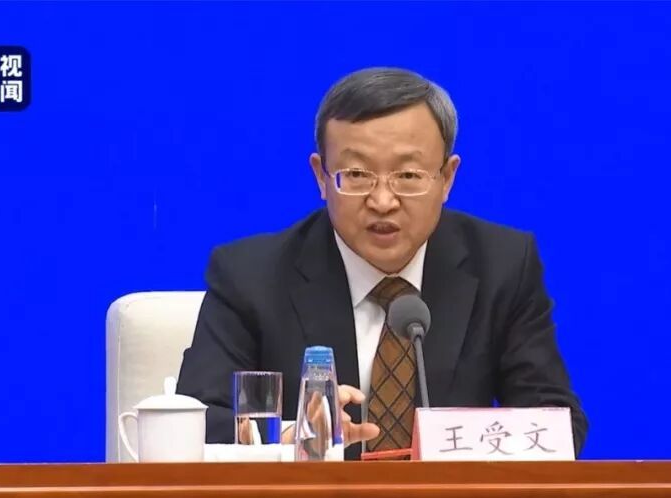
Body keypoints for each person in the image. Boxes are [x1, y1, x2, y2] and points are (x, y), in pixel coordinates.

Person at [176, 67, 588, 460]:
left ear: (446, 178)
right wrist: (291, 437)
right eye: (357, 174)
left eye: (408, 176)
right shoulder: (250, 276)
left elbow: (556, 422)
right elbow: (192, 423)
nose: (383, 201)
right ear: (322, 177)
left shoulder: (502, 265)